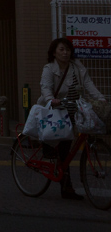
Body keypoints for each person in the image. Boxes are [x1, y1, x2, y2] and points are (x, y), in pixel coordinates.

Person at [38, 37, 106, 200]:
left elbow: (89, 85)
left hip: (75, 109)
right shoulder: (49, 68)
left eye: (67, 50)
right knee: (63, 147)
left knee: (68, 146)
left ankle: (64, 178)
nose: (65, 53)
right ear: (54, 53)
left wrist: (101, 99)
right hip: (56, 110)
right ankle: (66, 186)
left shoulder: (77, 67)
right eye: (61, 49)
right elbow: (45, 87)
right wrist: (50, 99)